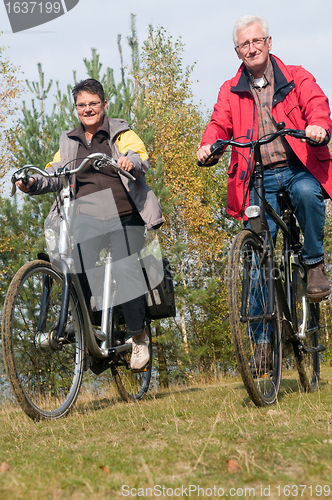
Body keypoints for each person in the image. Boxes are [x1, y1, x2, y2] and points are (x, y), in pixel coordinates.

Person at [197, 15, 332, 367]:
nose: (252, 48)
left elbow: (317, 104)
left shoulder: (296, 76)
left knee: (307, 194)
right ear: (237, 51)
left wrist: (317, 125)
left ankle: (314, 264)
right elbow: (218, 124)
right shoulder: (231, 89)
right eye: (245, 44)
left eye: (257, 41)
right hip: (256, 178)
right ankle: (262, 343)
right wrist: (209, 145)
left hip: (296, 168)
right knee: (257, 262)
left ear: (269, 43)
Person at [17, 78, 164, 371]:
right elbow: (54, 173)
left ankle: (138, 337)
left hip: (124, 213)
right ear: (76, 109)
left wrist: (129, 162)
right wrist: (32, 182)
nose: (88, 109)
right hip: (87, 217)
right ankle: (88, 332)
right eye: (82, 105)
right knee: (76, 268)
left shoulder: (119, 132)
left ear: (104, 105)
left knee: (125, 266)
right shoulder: (69, 142)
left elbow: (139, 154)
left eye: (93, 104)